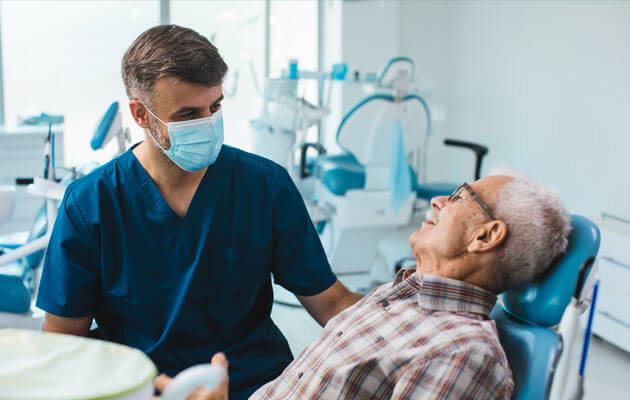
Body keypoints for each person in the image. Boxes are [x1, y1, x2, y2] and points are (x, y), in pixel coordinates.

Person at [35, 25, 362, 400]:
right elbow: (62, 343)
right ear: (141, 115)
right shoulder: (91, 204)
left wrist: (405, 331)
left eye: (216, 106)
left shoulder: (264, 186)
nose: (208, 123)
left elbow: (331, 302)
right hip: (143, 389)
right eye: (189, 113)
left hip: (256, 386)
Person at [158, 171, 571, 399]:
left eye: (460, 196)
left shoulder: (463, 354)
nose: (437, 202)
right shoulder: (398, 298)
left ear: (485, 237)